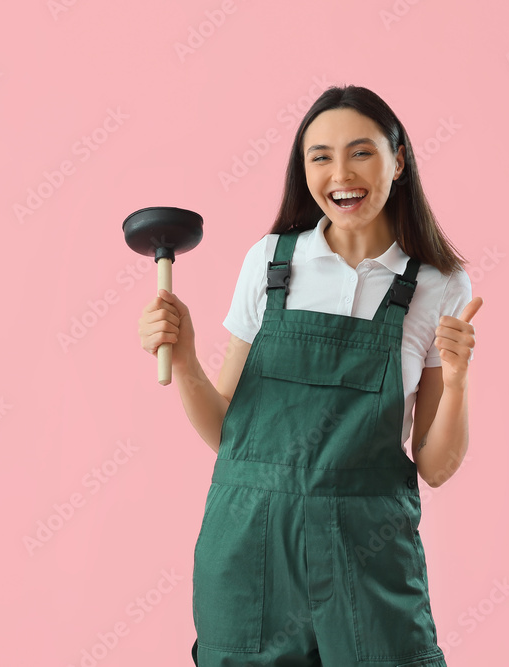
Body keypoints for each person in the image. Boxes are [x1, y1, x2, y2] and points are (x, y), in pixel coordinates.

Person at [137, 84, 480, 667]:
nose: (340, 173)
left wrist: (458, 376)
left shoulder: (437, 285)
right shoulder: (270, 261)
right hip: (250, 547)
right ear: (304, 170)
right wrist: (187, 355)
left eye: (361, 152)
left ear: (398, 159)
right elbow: (230, 435)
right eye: (320, 156)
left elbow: (436, 466)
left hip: (367, 549)